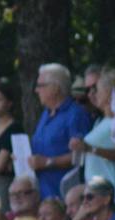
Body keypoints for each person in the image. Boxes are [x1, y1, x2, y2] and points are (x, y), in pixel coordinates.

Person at [29, 63, 94, 200]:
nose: (36, 90)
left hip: (65, 195)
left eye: (40, 85)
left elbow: (81, 155)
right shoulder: (46, 113)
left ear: (56, 88)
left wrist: (48, 162)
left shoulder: (76, 114)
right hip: (42, 193)